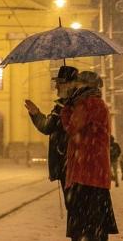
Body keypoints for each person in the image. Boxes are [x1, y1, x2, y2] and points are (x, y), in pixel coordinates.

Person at [61, 70, 119, 241]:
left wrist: (66, 109)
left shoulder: (88, 103)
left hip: (85, 175)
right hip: (94, 175)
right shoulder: (96, 103)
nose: (74, 86)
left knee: (85, 229)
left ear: (85, 85)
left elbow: (71, 128)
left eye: (77, 83)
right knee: (95, 228)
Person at [25, 65, 79, 197]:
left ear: (70, 84)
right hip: (65, 164)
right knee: (73, 207)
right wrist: (36, 113)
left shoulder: (77, 105)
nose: (56, 87)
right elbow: (47, 127)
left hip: (72, 163)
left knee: (75, 207)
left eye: (59, 83)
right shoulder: (60, 106)